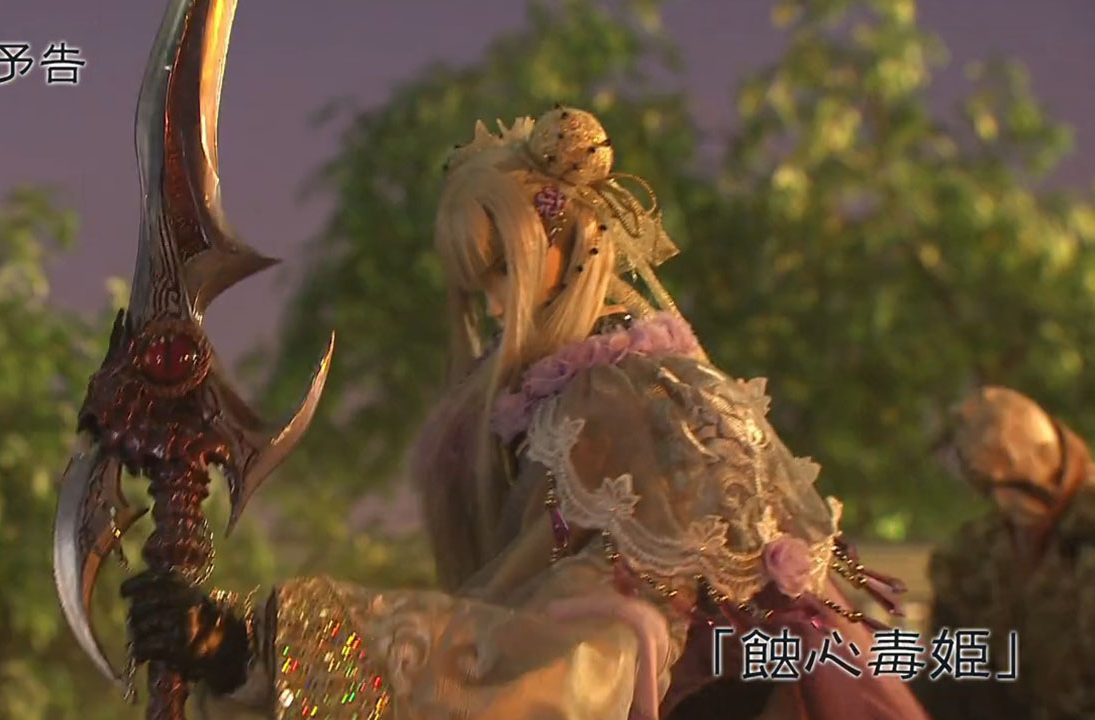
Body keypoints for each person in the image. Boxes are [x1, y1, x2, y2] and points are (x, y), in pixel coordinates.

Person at [121, 107, 931, 719]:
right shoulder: (564, 403)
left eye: (505, 270)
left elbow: (588, 654)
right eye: (478, 284)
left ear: (575, 248)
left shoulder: (629, 399)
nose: (492, 305)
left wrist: (263, 646)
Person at [915, 386, 1095, 720]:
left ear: (1049, 455)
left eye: (1017, 484)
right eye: (986, 485)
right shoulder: (969, 558)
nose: (1004, 501)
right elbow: (952, 678)